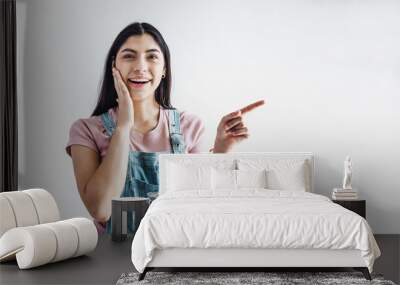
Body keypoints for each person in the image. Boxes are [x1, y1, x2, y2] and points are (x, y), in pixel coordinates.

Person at [65, 22, 264, 234]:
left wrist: (221, 151)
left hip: (174, 256)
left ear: (164, 69)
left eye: (151, 56)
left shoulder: (189, 126)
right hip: (112, 258)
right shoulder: (85, 130)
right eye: (129, 56)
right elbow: (101, 210)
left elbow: (202, 209)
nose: (140, 66)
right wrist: (123, 127)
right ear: (114, 66)